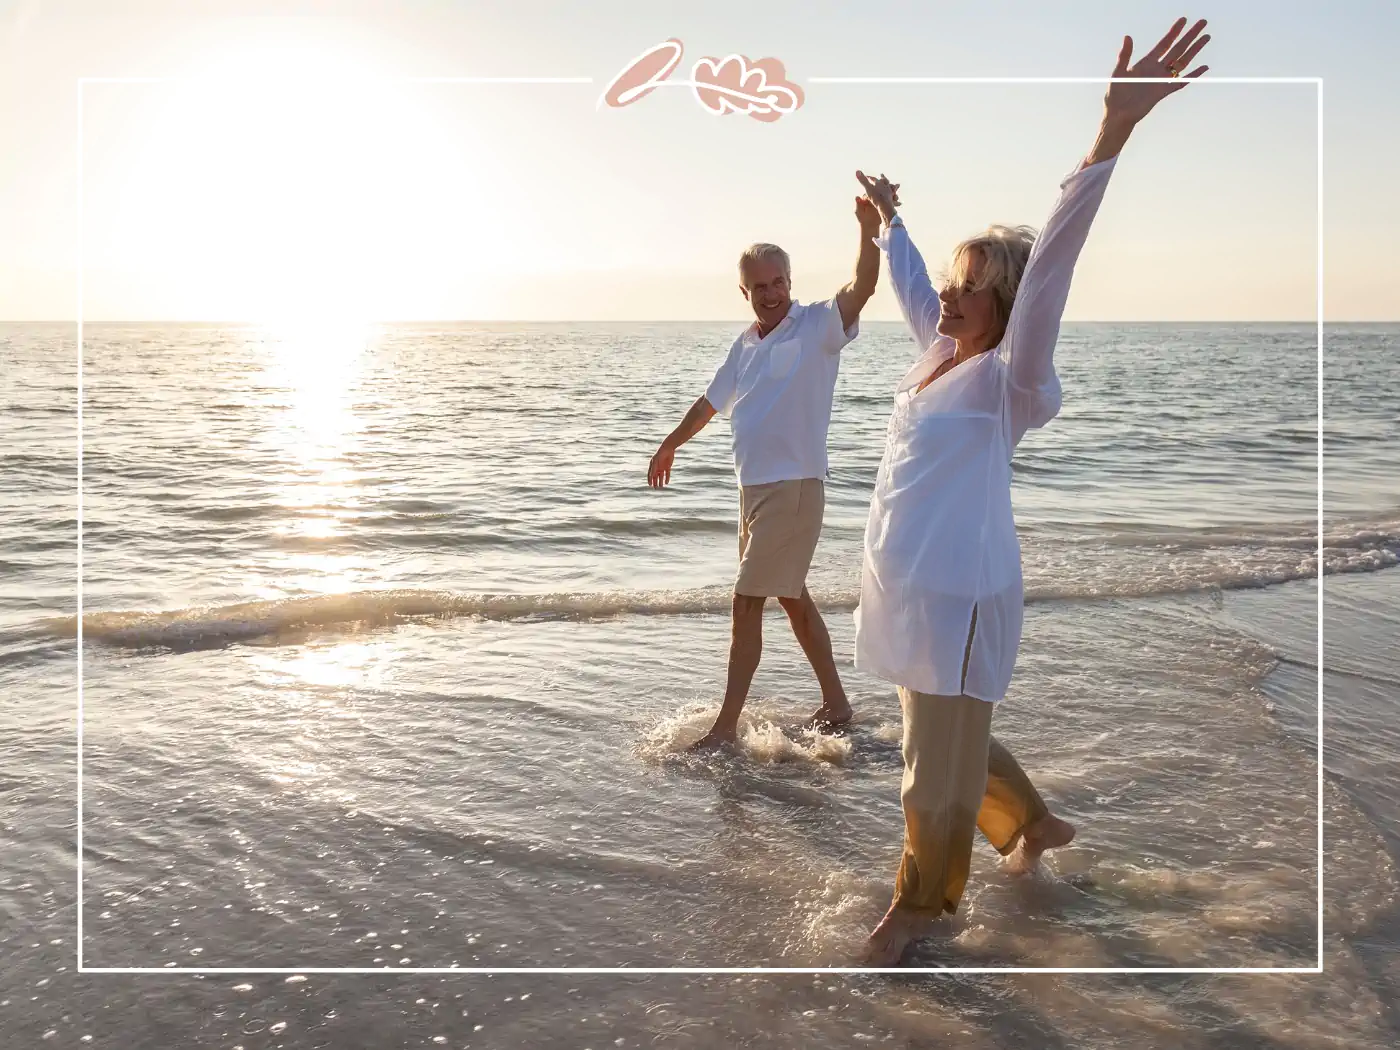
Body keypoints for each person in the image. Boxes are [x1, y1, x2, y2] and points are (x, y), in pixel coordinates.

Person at [853, 18, 1212, 965]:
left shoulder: (1008, 376)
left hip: (963, 593)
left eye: (970, 287)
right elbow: (908, 287)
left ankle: (921, 910)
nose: (950, 296)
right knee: (943, 740)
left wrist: (1111, 135)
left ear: (1006, 302)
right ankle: (1033, 826)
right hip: (913, 591)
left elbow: (1053, 263)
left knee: (930, 768)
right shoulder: (936, 358)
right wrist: (890, 221)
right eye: (952, 283)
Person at [647, 195, 883, 750]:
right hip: (753, 493)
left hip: (795, 487)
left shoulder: (817, 327)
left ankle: (725, 727)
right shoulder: (745, 344)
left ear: (790, 281)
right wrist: (670, 444)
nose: (772, 293)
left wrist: (868, 230)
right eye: (761, 287)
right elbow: (709, 405)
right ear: (745, 292)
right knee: (792, 597)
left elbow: (862, 287)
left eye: (779, 282)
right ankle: (838, 704)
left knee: (746, 599)